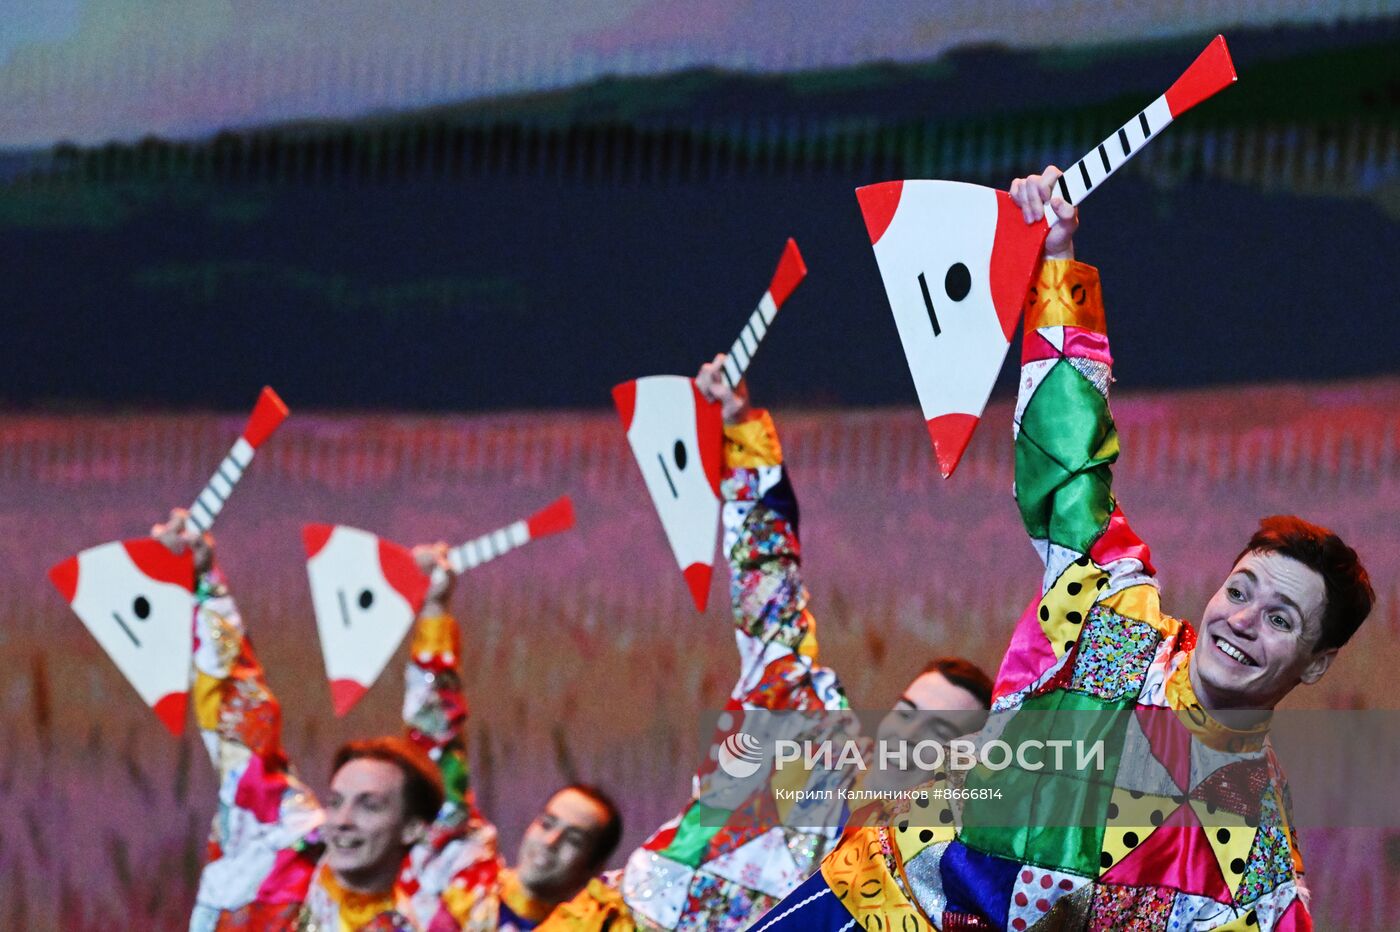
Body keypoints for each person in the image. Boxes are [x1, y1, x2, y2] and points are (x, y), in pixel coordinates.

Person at [751, 166, 1373, 931]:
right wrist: (1056, 264)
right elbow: (1068, 453)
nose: (1243, 620)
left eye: (1282, 618)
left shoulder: (1257, 856)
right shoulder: (1116, 617)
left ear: (1315, 663)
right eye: (1240, 591)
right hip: (871, 904)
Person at [542, 361, 994, 931]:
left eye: (936, 733)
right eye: (906, 713)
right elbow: (767, 580)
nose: (907, 736)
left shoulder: (905, 868)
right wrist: (743, 432)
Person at [166, 512, 621, 930]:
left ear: (416, 830)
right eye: (338, 800)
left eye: (369, 805)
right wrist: (206, 584)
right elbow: (239, 711)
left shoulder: (438, 901)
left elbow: (436, 743)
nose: (340, 820)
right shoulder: (281, 843)